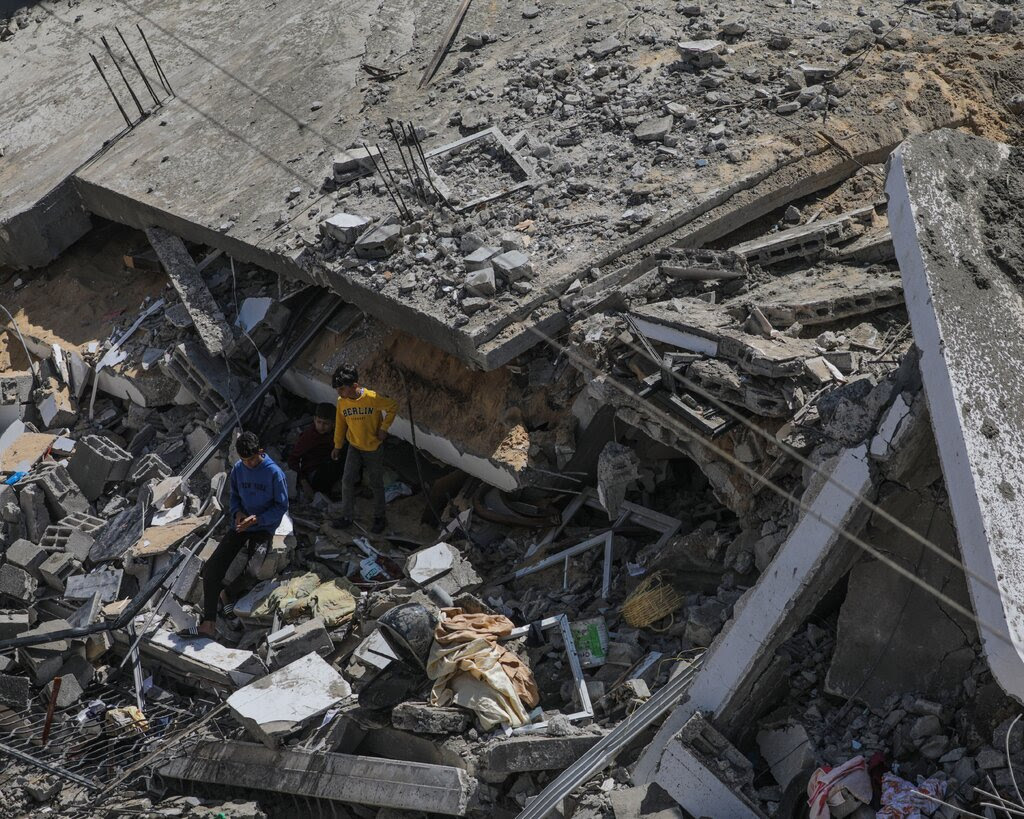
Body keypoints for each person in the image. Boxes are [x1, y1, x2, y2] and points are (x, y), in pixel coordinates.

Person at [184, 431, 288, 638]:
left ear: (260, 451)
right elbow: (235, 496)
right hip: (241, 525)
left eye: (251, 459)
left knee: (254, 571)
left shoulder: (274, 473)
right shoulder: (239, 469)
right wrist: (238, 513)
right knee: (212, 570)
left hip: (262, 527)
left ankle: (228, 594)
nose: (248, 464)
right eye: (244, 460)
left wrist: (257, 519)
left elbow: (281, 506)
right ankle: (209, 623)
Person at [331, 364, 398, 534]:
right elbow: (340, 425)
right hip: (354, 446)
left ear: (354, 386)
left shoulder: (372, 398)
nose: (339, 393)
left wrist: (384, 428)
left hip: (373, 448)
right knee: (347, 481)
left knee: (376, 483)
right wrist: (337, 446)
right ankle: (347, 517)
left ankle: (379, 517)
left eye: (342, 389)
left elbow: (392, 406)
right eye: (337, 390)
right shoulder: (342, 403)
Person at [288, 402, 343, 496]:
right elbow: (292, 459)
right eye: (319, 422)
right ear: (314, 419)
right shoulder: (309, 436)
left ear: (334, 423)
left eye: (326, 424)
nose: (321, 426)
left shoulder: (335, 432)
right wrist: (304, 482)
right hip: (315, 473)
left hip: (328, 462)